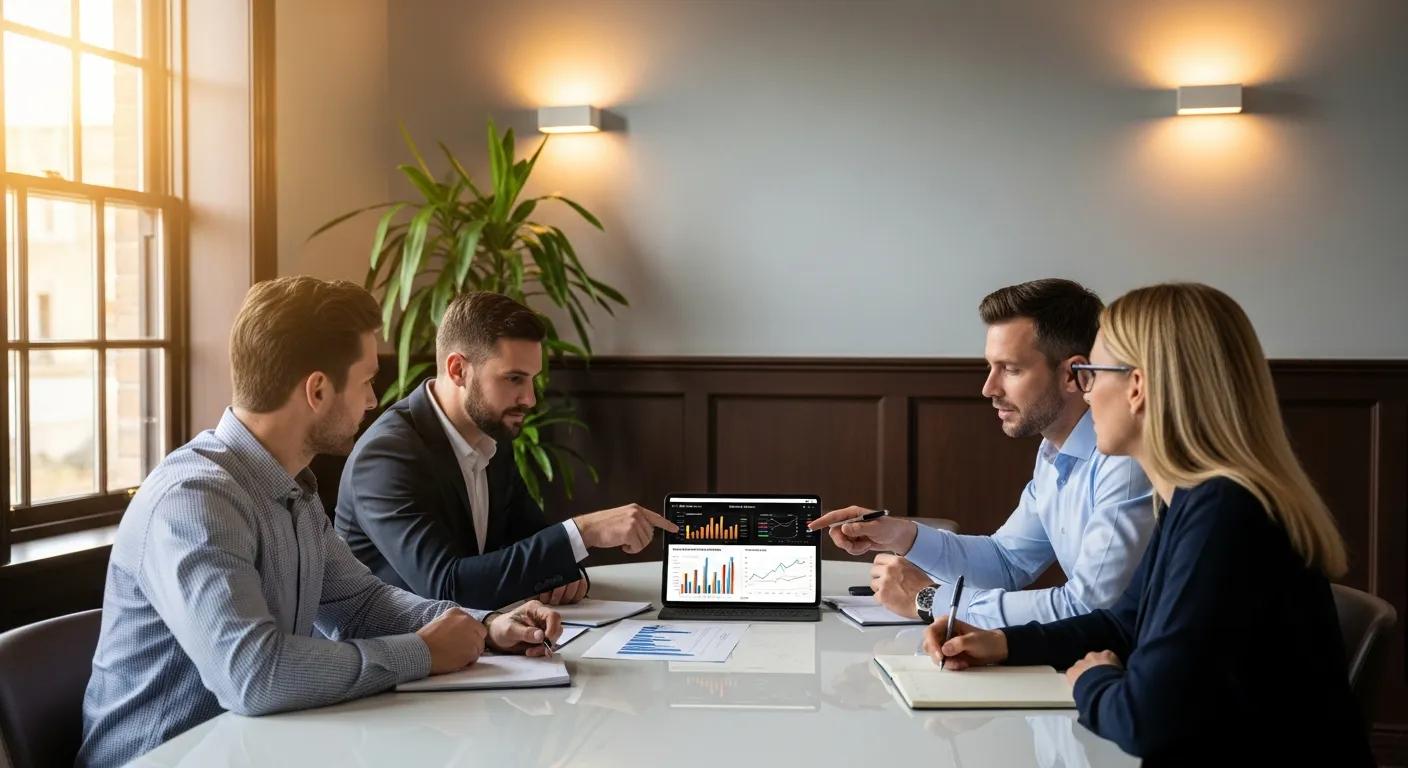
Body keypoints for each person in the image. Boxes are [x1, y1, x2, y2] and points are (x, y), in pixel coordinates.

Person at [78, 278, 562, 768]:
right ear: (317, 389)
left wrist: (485, 627)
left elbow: (359, 604)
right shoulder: (195, 500)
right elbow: (255, 675)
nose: (374, 401)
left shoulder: (293, 486)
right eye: (367, 381)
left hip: (254, 750)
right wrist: (421, 652)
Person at [925, 283, 1372, 764]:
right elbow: (1122, 623)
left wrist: (1091, 680)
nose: (1086, 392)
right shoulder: (1200, 500)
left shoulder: (1226, 514)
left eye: (1091, 374)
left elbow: (1145, 720)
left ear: (1136, 387)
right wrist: (1002, 643)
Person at [809, 279, 1154, 627]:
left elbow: (1090, 608)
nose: (989, 388)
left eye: (1011, 369)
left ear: (1071, 375)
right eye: (991, 367)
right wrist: (901, 535)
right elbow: (1007, 562)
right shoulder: (1052, 452)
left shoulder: (1124, 461)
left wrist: (931, 599)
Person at [336, 291, 678, 609]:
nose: (529, 399)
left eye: (532, 379)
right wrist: (584, 532)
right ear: (458, 370)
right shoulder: (385, 456)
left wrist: (564, 570)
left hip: (468, 651)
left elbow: (533, 544)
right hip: (392, 662)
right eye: (513, 379)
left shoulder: (490, 435)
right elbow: (446, 586)